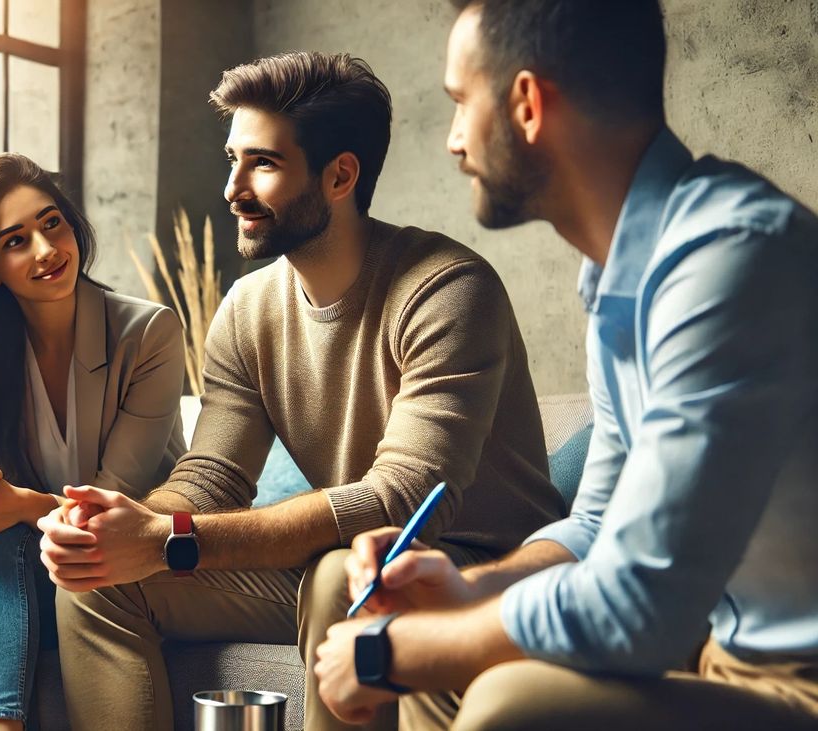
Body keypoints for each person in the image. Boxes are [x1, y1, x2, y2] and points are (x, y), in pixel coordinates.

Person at [314, 2, 818, 729]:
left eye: (462, 103)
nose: (453, 141)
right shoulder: (619, 280)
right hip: (718, 661)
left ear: (526, 104)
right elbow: (598, 522)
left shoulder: (731, 262)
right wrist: (462, 588)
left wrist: (390, 651)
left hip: (796, 682)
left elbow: (639, 603)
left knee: (503, 697)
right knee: (446, 656)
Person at [38, 51, 565, 731]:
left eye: (262, 163)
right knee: (97, 581)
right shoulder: (248, 307)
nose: (231, 188)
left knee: (336, 573)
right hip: (338, 554)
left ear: (340, 174)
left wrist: (169, 537)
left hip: (474, 564)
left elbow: (399, 499)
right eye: (232, 159)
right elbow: (209, 480)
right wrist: (125, 527)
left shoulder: (447, 289)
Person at [0, 153, 187, 731]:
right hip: (37, 578)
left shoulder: (149, 333)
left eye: (52, 224)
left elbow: (116, 500)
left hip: (130, 572)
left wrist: (20, 506)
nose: (47, 250)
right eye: (16, 240)